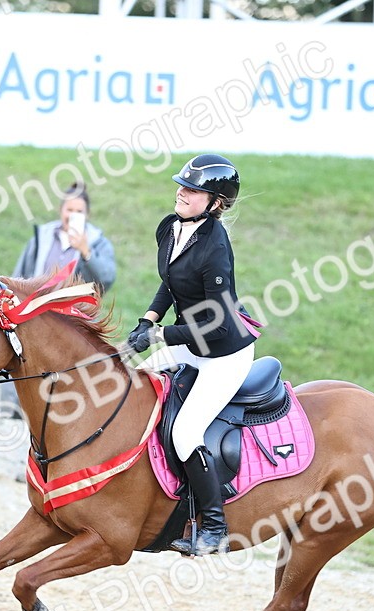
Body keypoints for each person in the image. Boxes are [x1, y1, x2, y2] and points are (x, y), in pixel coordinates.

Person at [128, 154, 261, 556]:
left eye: (192, 190)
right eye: (181, 186)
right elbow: (170, 283)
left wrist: (160, 333)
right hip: (188, 343)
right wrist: (146, 319)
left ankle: (214, 525)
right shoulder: (169, 228)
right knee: (132, 388)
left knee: (186, 433)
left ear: (215, 202)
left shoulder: (215, 247)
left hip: (223, 355)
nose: (181, 193)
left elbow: (220, 322)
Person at [1, 183, 117, 418]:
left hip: (69, 321)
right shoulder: (42, 236)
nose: (73, 216)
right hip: (33, 314)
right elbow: (20, 272)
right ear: (60, 210)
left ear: (87, 215)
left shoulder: (96, 241)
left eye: (79, 211)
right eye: (69, 210)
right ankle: (16, 408)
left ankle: (62, 412)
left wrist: (86, 252)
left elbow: (107, 278)